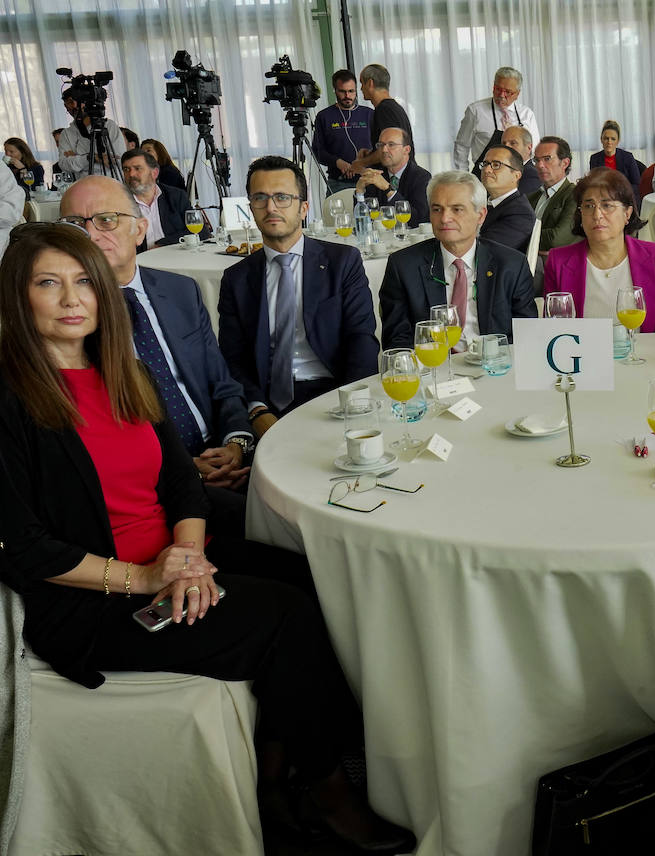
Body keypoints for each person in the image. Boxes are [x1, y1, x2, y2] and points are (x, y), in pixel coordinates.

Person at [0, 223, 418, 856]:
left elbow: (181, 486)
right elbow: (21, 546)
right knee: (287, 617)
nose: (71, 299)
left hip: (173, 560)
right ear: (18, 297)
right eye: (48, 284)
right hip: (91, 599)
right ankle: (328, 788)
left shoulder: (121, 370)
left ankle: (274, 777)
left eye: (84, 281)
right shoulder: (11, 400)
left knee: (313, 576)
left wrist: (188, 554)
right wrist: (144, 578)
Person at [59, 176, 253, 512]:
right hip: (150, 478)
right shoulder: (70, 319)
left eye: (106, 220)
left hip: (222, 452)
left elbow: (221, 384)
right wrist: (186, 467)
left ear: (140, 229)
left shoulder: (180, 291)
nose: (90, 235)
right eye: (75, 225)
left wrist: (235, 443)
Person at [217, 156, 379, 435]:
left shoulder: (342, 262)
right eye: (260, 198)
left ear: (303, 208)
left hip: (333, 392)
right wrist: (256, 410)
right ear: (251, 208)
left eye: (282, 197)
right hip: (267, 400)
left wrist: (351, 404)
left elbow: (361, 338)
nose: (270, 207)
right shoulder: (237, 278)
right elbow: (233, 358)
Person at [379, 170, 537, 350]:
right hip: (432, 369)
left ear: (481, 215)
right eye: (437, 209)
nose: (445, 219)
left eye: (457, 209)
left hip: (494, 366)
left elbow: (526, 336)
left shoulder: (511, 265)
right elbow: (397, 341)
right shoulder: (403, 266)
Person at [544, 167, 655, 332]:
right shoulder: (558, 261)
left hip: (646, 355)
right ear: (580, 214)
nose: (597, 214)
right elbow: (553, 331)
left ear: (627, 213)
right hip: (583, 357)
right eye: (589, 206)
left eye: (607, 205)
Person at [452, 67, 540, 172]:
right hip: (485, 174)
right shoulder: (475, 111)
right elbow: (462, 146)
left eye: (508, 92)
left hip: (520, 174)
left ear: (517, 94)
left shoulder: (526, 114)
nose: (502, 95)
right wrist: (464, 177)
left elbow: (535, 148)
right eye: (498, 89)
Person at [311, 68, 374, 195]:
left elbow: (379, 147)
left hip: (368, 180)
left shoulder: (369, 114)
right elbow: (318, 151)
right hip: (338, 183)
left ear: (356, 90)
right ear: (335, 90)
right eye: (342, 92)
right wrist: (338, 163)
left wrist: (361, 165)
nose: (347, 96)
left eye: (351, 91)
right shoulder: (324, 116)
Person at [356, 127, 432, 225]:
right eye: (381, 145)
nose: (384, 150)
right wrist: (359, 191)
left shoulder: (421, 177)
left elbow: (419, 219)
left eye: (391, 145)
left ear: (406, 150)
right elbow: (361, 219)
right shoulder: (374, 174)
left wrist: (388, 189)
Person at [120, 150, 191, 251]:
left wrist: (163, 244)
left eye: (137, 168)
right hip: (140, 262)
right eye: (126, 169)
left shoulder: (175, 196)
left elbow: (199, 231)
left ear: (154, 173)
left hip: (177, 257)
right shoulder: (119, 202)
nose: (131, 174)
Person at [349, 64, 413, 174]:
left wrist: (361, 163)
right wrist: (371, 153)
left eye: (362, 83)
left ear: (370, 83)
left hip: (396, 180)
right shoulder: (394, 108)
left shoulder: (384, 110)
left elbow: (388, 150)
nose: (360, 88)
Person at [477, 143, 537, 253]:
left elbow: (485, 250)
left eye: (496, 165)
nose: (487, 170)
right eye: (485, 164)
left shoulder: (520, 213)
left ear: (516, 176)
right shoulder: (481, 203)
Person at [528, 136, 579, 256]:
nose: (540, 165)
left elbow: (556, 239)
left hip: (557, 269)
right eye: (536, 160)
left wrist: (524, 237)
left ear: (565, 163)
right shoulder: (531, 197)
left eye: (547, 159)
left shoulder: (575, 194)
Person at [56, 90, 121, 178]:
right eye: (69, 103)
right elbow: (64, 165)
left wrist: (76, 158)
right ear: (65, 107)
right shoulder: (66, 134)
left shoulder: (108, 125)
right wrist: (92, 158)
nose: (74, 106)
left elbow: (118, 160)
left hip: (111, 185)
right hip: (84, 187)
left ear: (87, 102)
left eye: (78, 102)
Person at [484, 125, 542, 197]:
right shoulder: (493, 169)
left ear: (529, 148)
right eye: (504, 143)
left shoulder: (532, 175)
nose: (506, 147)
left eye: (513, 143)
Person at [589, 120, 645, 190]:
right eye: (606, 138)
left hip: (624, 196)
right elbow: (594, 184)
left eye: (613, 139)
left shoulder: (628, 157)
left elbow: (636, 185)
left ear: (618, 141)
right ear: (601, 140)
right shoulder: (595, 159)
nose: (609, 142)